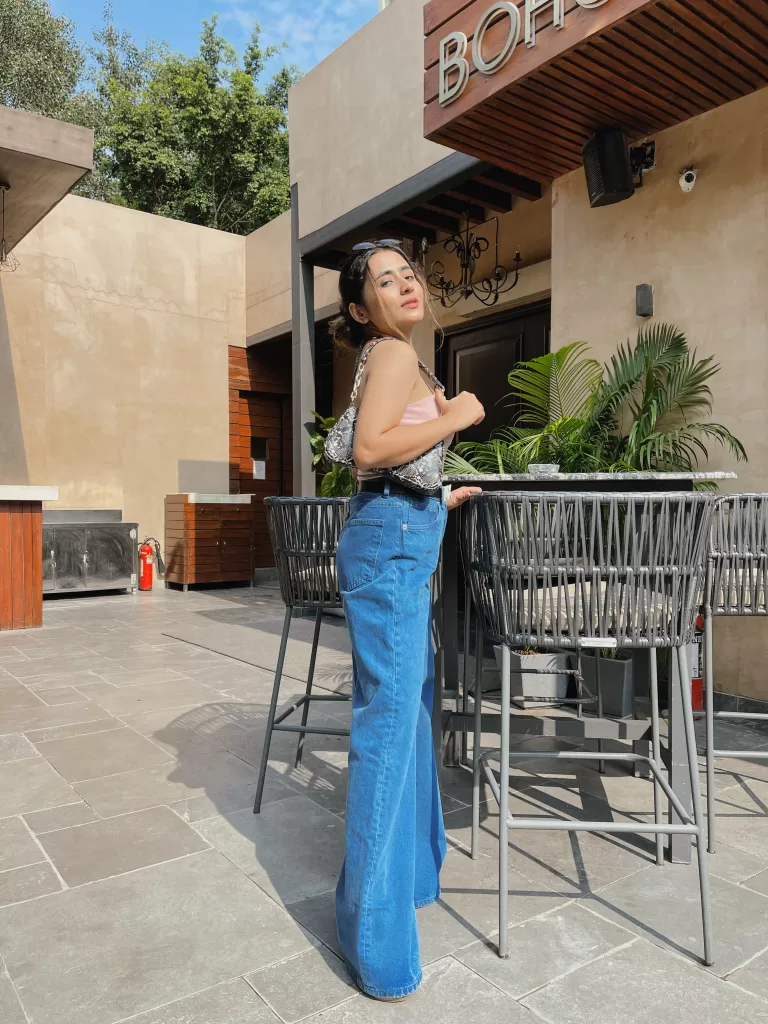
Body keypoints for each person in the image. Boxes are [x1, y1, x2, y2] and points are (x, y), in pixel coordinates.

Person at [331, 240, 485, 1001]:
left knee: (408, 716)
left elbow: (391, 459)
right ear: (363, 309)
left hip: (397, 534)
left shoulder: (399, 358)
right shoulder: (390, 352)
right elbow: (368, 450)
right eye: (383, 280)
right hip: (389, 545)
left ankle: (412, 880)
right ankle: (374, 941)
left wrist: (439, 494)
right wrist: (459, 412)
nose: (404, 283)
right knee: (390, 730)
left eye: (408, 272)